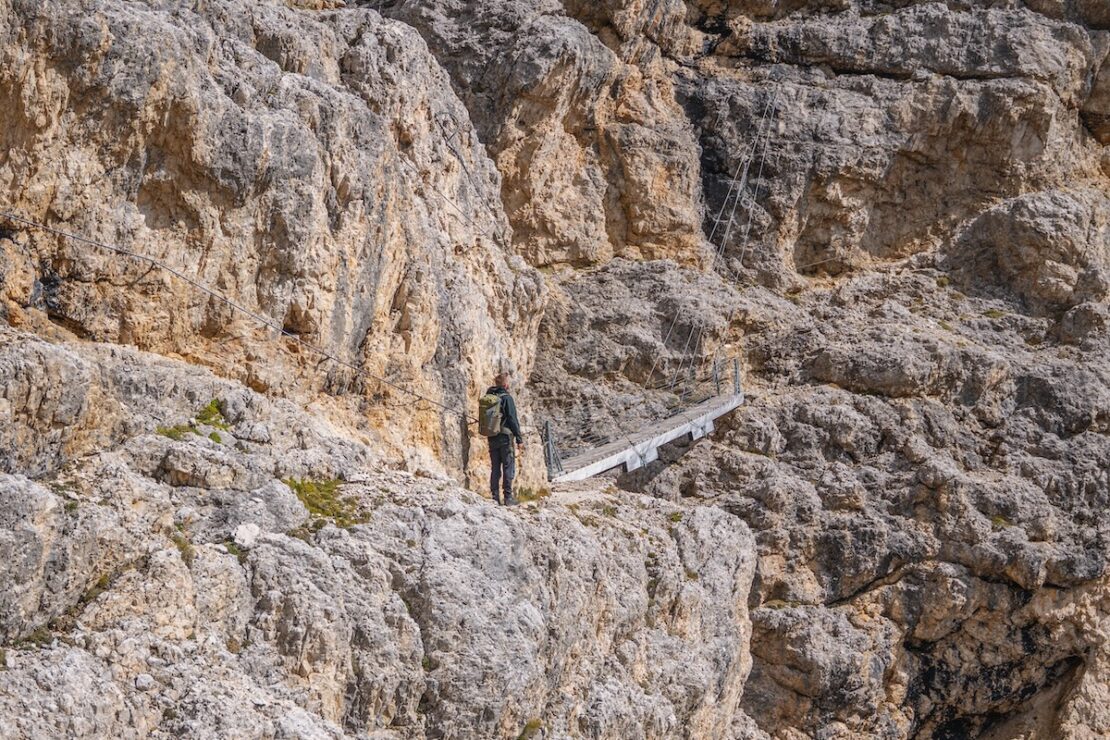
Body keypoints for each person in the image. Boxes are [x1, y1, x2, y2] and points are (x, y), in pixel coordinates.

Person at [485, 373, 523, 505]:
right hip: (505, 437)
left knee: (495, 467)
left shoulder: (489, 397)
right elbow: (512, 419)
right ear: (506, 384)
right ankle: (508, 497)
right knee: (508, 466)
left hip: (492, 436)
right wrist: (519, 438)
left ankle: (495, 496)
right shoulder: (507, 398)